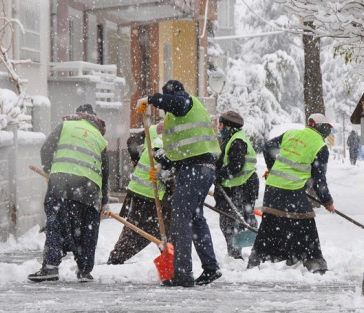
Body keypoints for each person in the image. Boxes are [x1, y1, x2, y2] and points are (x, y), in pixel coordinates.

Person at [136, 80, 222, 287]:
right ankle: (210, 268)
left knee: (181, 218)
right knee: (195, 218)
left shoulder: (185, 102)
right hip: (200, 168)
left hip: (194, 170)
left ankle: (182, 273)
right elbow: (182, 150)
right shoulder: (179, 115)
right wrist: (161, 162)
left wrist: (150, 99)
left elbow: (177, 103)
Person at [28, 104, 109, 282]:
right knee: (88, 229)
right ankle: (85, 270)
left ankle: (50, 267)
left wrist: (50, 171)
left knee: (56, 223)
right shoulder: (100, 138)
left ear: (78, 115)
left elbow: (46, 149)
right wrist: (104, 201)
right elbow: (105, 172)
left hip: (61, 184)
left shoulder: (66, 125)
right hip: (90, 189)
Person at [247, 113, 335, 274]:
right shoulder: (320, 147)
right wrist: (327, 201)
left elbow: (268, 147)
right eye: (328, 127)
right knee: (306, 224)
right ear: (321, 127)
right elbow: (319, 179)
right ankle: (314, 262)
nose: (329, 131)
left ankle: (257, 259)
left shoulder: (292, 133)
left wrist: (273, 168)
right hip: (291, 190)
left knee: (270, 223)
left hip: (273, 187)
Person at [107, 121, 173, 265]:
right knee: (143, 230)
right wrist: (169, 179)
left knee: (162, 230)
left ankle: (173, 262)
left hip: (143, 190)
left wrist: (137, 160)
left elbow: (132, 142)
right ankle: (116, 259)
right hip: (149, 192)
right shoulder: (166, 136)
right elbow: (163, 162)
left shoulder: (156, 130)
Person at [214, 111, 259, 259]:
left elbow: (235, 166)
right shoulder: (230, 139)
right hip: (239, 186)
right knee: (236, 221)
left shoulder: (237, 142)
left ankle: (237, 255)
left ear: (229, 127)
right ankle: (242, 252)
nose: (219, 127)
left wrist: (217, 175)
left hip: (241, 187)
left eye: (221, 124)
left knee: (231, 222)